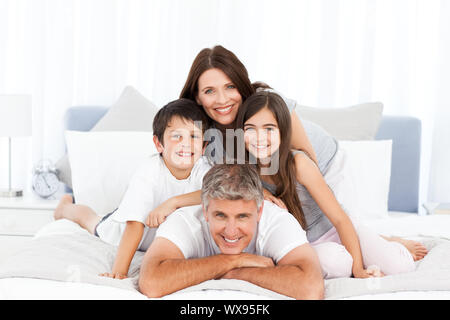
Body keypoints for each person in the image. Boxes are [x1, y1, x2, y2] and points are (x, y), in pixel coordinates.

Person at [235, 90, 428, 279]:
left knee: (400, 267)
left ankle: (388, 242)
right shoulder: (244, 171)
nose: (259, 137)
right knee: (337, 264)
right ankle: (369, 248)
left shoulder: (299, 164)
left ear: (283, 132)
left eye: (269, 129)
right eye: (250, 128)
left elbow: (340, 220)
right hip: (307, 244)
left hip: (335, 229)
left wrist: (359, 269)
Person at [53, 98, 212, 279]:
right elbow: (134, 224)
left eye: (194, 136)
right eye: (177, 136)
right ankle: (65, 207)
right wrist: (119, 272)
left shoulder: (204, 169)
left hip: (161, 239)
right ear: (159, 144)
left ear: (204, 146)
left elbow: (215, 194)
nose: (186, 144)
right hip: (125, 231)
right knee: (91, 220)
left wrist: (173, 203)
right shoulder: (150, 170)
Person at [138, 164, 324, 300]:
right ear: (205, 210)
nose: (231, 231)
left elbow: (311, 288)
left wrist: (233, 273)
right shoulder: (184, 220)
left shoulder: (277, 221)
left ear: (259, 211)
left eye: (242, 216)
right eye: (220, 215)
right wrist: (235, 260)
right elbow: (152, 283)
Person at [180, 45, 317, 177]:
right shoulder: (201, 132)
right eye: (209, 91)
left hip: (328, 167)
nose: (222, 100)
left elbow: (311, 166)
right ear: (197, 97)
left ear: (241, 85)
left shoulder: (269, 102)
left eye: (230, 86)